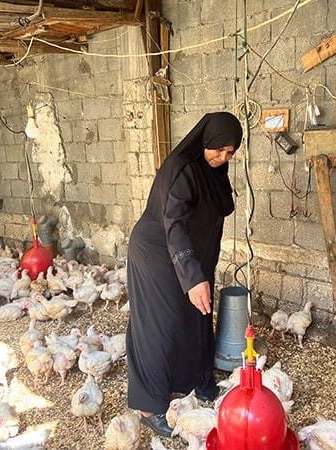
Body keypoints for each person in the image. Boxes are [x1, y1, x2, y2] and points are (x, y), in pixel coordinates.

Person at [125, 111, 243, 437]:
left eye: (231, 152)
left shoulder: (211, 171)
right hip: (155, 254)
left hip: (187, 258)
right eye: (218, 149)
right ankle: (148, 405)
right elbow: (174, 225)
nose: (223, 157)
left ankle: (191, 380)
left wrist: (197, 274)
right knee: (160, 327)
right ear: (204, 141)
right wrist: (192, 277)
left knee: (195, 317)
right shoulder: (183, 171)